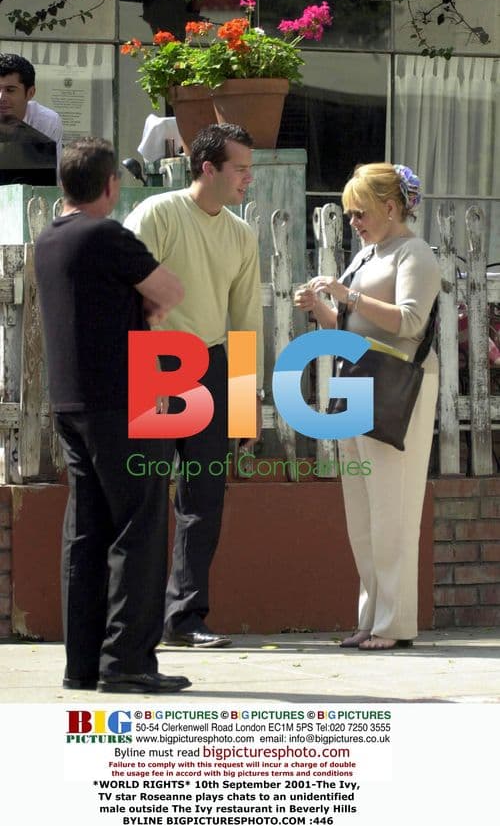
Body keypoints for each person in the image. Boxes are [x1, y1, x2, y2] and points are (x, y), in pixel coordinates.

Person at [34, 137, 191, 693]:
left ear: (62, 185)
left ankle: (83, 665)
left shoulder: (48, 239)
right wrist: (143, 304)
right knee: (140, 526)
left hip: (71, 401)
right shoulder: (107, 234)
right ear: (110, 185)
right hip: (126, 399)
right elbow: (169, 288)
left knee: (86, 530)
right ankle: (126, 662)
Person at [124, 124, 264, 649]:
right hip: (158, 358)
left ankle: (185, 619)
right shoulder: (158, 214)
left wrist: (248, 400)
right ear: (208, 168)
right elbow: (132, 290)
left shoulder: (242, 234)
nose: (248, 178)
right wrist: (150, 368)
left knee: (203, 497)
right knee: (145, 493)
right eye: (241, 168)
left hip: (211, 363)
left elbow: (246, 318)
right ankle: (135, 619)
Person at [295, 162, 440, 651]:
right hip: (358, 379)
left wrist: (348, 293)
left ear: (391, 207)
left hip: (397, 384)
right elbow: (348, 326)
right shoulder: (366, 255)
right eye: (350, 213)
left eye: (360, 212)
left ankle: (394, 623)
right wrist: (320, 305)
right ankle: (370, 616)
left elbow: (411, 323)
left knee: (393, 505)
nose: (353, 221)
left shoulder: (414, 253)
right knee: (361, 507)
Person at [0, 52, 63, 164]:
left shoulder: (46, 121)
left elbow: (49, 176)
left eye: (10, 90)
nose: (1, 98)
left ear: (30, 93)